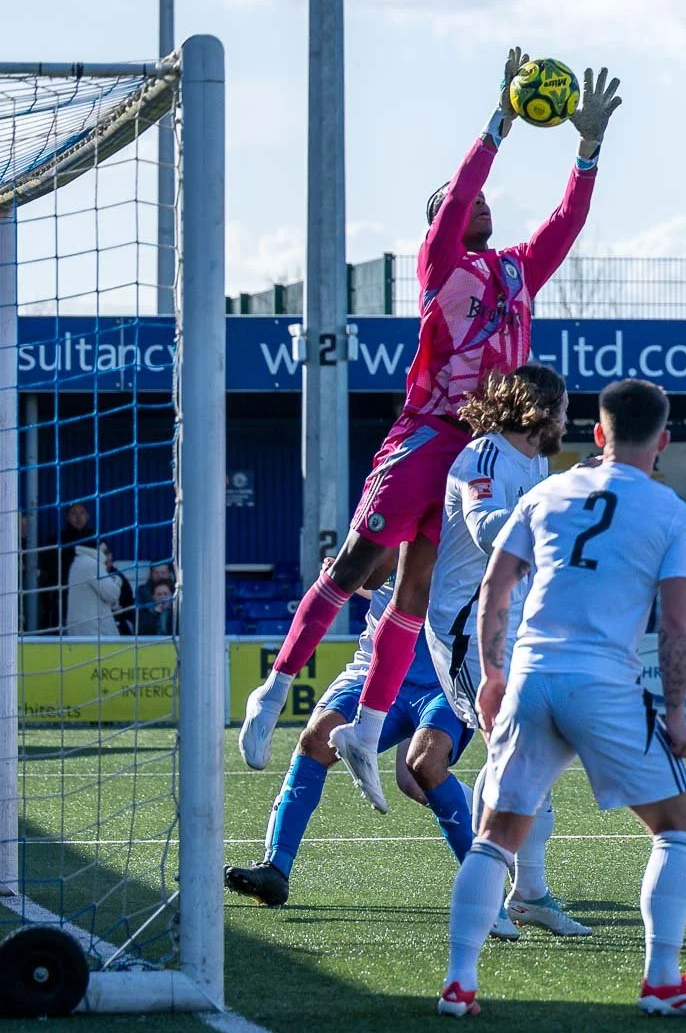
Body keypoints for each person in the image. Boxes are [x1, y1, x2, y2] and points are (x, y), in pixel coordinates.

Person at [238, 50, 620, 803]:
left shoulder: (515, 270)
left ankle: (364, 729)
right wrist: (498, 126)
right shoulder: (441, 264)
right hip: (426, 433)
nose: (478, 205)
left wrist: (587, 148)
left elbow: (567, 222)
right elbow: (455, 200)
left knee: (413, 593)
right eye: (461, 199)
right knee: (354, 566)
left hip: (479, 444)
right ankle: (273, 690)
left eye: (478, 199)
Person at [439, 378, 686, 1019]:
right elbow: (678, 625)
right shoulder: (675, 514)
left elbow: (496, 585)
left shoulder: (546, 491)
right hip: (603, 685)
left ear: (597, 435)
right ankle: (661, 980)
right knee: (681, 828)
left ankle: (460, 982)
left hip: (532, 676)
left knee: (495, 836)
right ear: (664, 442)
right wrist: (676, 715)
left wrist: (491, 673)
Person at [414, 362, 589, 937]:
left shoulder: (535, 461)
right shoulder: (483, 457)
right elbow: (488, 527)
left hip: (513, 626)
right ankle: (492, 892)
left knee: (529, 755)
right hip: (468, 628)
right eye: (562, 408)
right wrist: (555, 502)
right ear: (537, 410)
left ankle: (529, 892)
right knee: (508, 753)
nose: (568, 418)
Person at [226, 577, 485, 927]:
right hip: (375, 670)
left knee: (420, 772)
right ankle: (275, 867)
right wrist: (355, 572)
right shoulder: (378, 528)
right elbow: (369, 577)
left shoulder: (458, 527)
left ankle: (492, 861)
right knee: (316, 739)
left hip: (443, 678)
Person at [65, 539, 124, 637]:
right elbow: (112, 595)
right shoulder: (92, 564)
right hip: (94, 631)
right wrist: (117, 581)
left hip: (80, 629)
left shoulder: (78, 562)